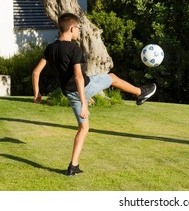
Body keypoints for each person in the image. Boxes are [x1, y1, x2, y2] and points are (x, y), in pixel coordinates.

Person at [32, 12, 156, 176]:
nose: (79, 31)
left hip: (68, 93)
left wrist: (37, 94)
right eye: (78, 28)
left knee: (83, 127)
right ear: (71, 28)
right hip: (83, 89)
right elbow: (77, 77)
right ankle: (140, 93)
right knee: (112, 77)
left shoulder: (50, 48)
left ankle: (73, 166)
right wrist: (84, 103)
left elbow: (35, 72)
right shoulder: (74, 49)